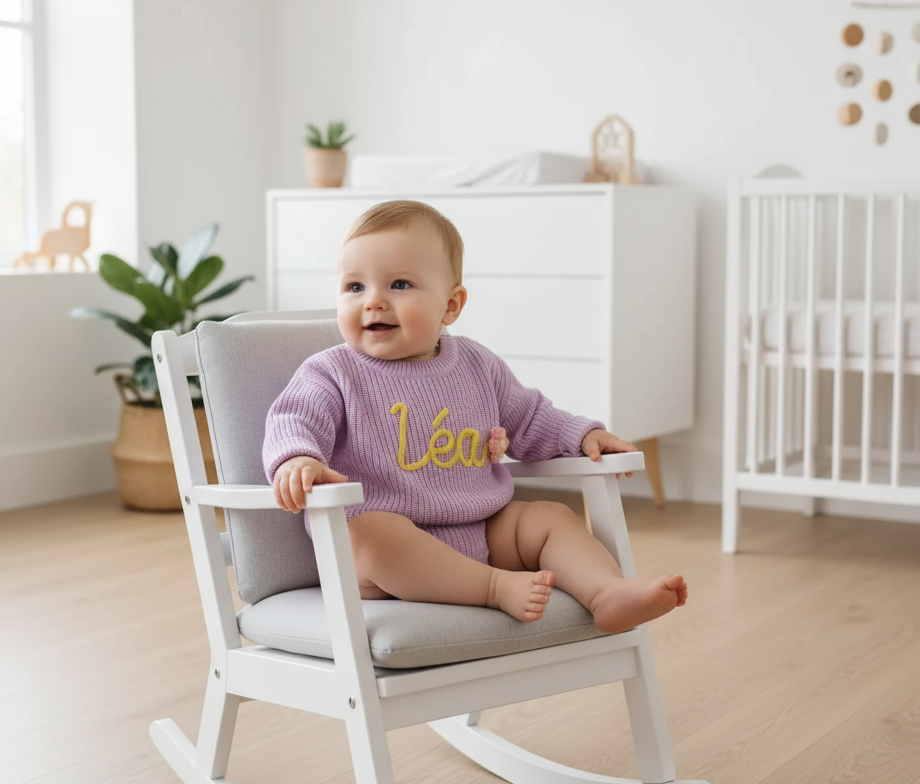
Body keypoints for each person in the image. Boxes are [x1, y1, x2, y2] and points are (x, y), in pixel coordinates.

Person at [263, 201, 687, 631]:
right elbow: (294, 419)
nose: (373, 301)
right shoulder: (331, 372)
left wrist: (580, 436)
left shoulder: (476, 365)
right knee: (368, 534)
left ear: (450, 305)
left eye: (399, 284)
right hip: (386, 561)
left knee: (550, 517)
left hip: (482, 531)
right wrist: (298, 458)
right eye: (355, 287)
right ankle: (493, 588)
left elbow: (530, 418)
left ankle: (606, 591)